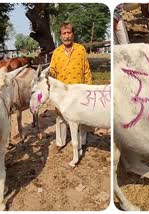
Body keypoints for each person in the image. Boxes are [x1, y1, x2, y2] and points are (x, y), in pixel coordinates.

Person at [49, 22, 92, 151]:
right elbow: (52, 72)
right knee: (61, 116)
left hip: (79, 91)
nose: (67, 36)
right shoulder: (56, 52)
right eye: (64, 33)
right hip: (62, 93)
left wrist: (88, 89)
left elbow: (86, 70)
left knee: (81, 116)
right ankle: (60, 142)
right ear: (60, 36)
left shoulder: (80, 49)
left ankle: (81, 141)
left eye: (69, 33)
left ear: (73, 34)